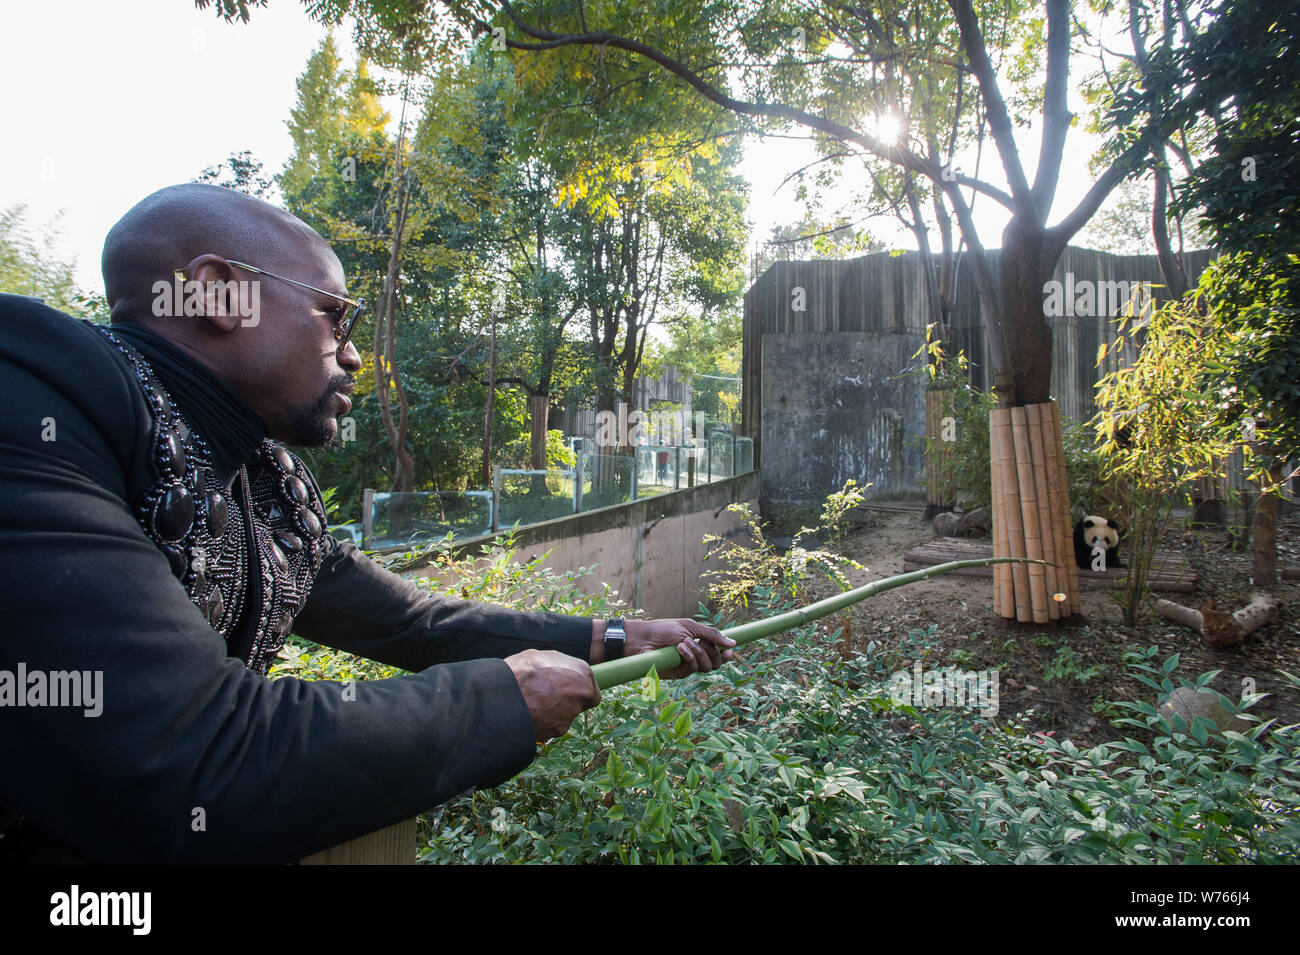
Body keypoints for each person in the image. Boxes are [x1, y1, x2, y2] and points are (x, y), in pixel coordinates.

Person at [0, 183, 735, 864]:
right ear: (220, 293)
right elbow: (187, 757)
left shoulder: (262, 481)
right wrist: (499, 699)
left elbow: (409, 622)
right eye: (333, 313)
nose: (351, 352)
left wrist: (616, 638)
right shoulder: (40, 398)